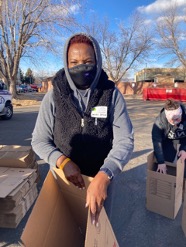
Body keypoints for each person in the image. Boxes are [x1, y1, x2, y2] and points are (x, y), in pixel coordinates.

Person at [31, 33, 134, 226]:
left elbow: (124, 140)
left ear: (97, 61)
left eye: (88, 61)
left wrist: (105, 175)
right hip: (64, 178)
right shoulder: (53, 97)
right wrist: (62, 161)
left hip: (101, 179)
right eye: (74, 62)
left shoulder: (111, 95)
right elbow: (39, 140)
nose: (81, 66)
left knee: (98, 230)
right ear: (66, 63)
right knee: (66, 229)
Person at [152, 99, 186, 174]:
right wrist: (161, 162)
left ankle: (182, 182)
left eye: (177, 119)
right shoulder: (159, 123)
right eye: (171, 120)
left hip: (184, 137)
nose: (174, 122)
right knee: (165, 160)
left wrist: (184, 149)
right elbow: (157, 142)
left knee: (183, 160)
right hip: (168, 139)